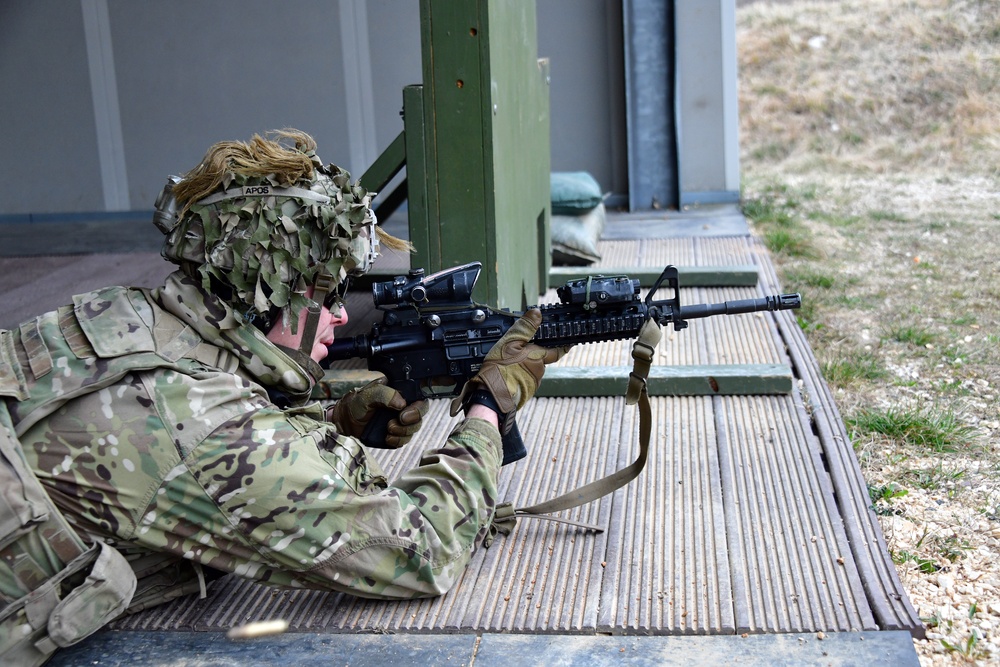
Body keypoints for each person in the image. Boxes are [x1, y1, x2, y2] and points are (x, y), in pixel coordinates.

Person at [0, 129, 563, 627]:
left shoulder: (125, 312)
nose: (342, 314)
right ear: (261, 294)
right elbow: (419, 552)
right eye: (326, 293)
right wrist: (490, 405)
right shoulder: (204, 428)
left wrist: (332, 420)